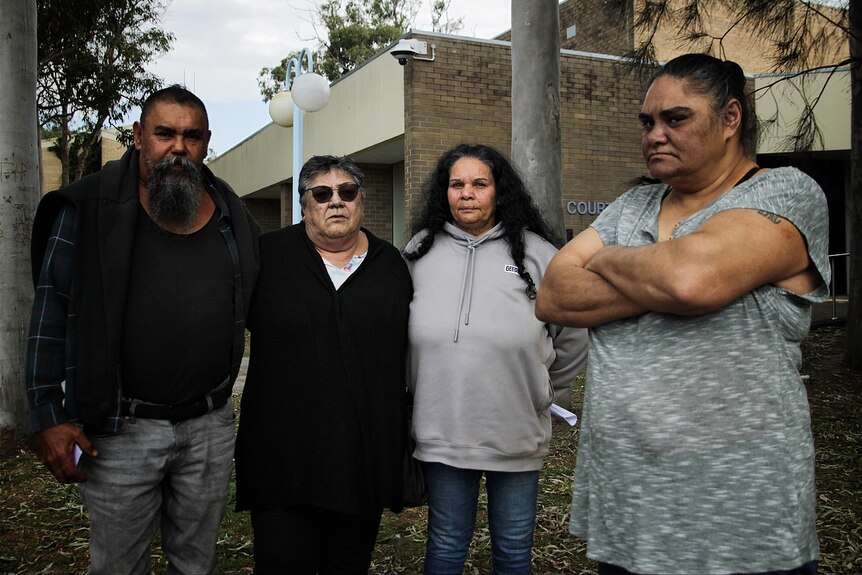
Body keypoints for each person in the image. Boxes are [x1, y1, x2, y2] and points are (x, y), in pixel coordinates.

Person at [536, 53, 830, 575]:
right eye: (647, 122)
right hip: (629, 507)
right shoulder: (634, 206)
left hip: (739, 517)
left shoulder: (784, 192)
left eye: (676, 119)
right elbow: (555, 295)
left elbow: (692, 281)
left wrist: (603, 259)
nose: (655, 134)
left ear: (731, 119)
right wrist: (665, 275)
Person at [25, 85, 260, 574]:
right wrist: (48, 414)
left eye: (192, 136)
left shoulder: (229, 212)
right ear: (138, 136)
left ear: (207, 142)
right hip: (121, 430)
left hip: (209, 428)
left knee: (198, 564)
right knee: (119, 567)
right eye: (165, 133)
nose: (178, 147)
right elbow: (50, 312)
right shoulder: (88, 210)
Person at [404, 143, 588, 575]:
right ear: (444, 193)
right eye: (457, 184)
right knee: (446, 544)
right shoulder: (418, 252)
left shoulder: (540, 254)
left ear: (499, 191)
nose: (467, 193)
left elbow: (574, 334)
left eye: (479, 184)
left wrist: (545, 392)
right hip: (442, 430)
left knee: (512, 549)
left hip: (515, 431)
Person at [233, 155, 413, 574]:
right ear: (304, 203)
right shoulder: (268, 258)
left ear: (360, 201)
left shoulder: (391, 266)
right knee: (282, 563)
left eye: (347, 192)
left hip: (361, 456)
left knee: (348, 564)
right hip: (283, 457)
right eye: (322, 193)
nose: (336, 202)